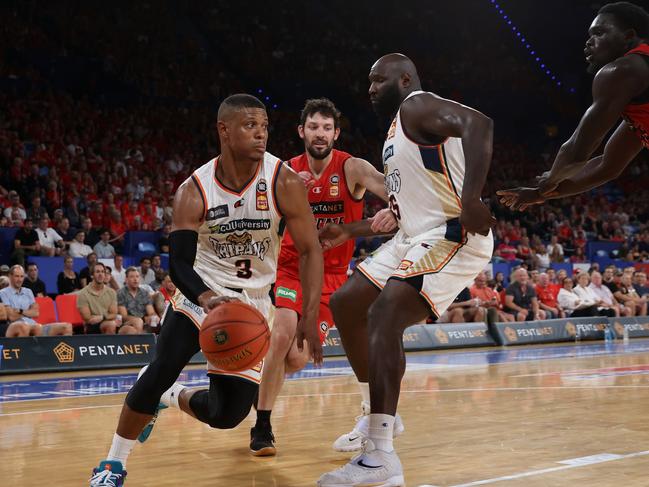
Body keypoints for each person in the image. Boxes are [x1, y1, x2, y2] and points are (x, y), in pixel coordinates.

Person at [89, 94, 323, 486]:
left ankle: (172, 398)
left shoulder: (283, 180)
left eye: (264, 126)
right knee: (162, 368)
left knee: (226, 415)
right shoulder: (194, 190)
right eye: (250, 126)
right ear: (224, 130)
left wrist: (310, 314)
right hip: (202, 294)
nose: (261, 134)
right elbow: (178, 263)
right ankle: (112, 464)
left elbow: (310, 249)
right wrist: (207, 299)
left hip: (253, 304)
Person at [317, 54, 495, 486]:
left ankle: (380, 458)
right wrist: (351, 231)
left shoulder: (418, 104)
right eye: (368, 81)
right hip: (413, 237)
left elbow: (480, 124)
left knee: (384, 314)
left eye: (378, 80)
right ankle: (375, 415)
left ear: (404, 78)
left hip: (452, 233)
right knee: (347, 304)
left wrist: (472, 199)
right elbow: (400, 215)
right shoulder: (397, 130)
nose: (370, 88)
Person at [251, 98, 395, 456]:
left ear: (336, 133)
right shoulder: (284, 171)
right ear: (302, 131)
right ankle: (262, 426)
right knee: (283, 332)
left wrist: (356, 228)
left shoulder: (354, 169)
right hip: (290, 266)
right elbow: (259, 221)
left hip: (331, 277)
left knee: (296, 359)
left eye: (327, 128)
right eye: (313, 127)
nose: (320, 133)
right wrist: (278, 195)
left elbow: (399, 202)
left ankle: (254, 386)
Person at [498, 2, 649, 209]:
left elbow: (576, 152)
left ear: (628, 36)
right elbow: (608, 165)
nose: (588, 42)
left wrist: (549, 181)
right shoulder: (639, 91)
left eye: (598, 33)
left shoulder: (622, 70)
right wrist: (542, 193)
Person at [0, 265, 72, 336]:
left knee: (67, 327)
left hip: (34, 325)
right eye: (17, 276)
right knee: (25, 327)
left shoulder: (28, 292)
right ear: (10, 276)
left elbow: (36, 313)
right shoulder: (3, 293)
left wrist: (21, 311)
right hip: (17, 327)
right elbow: (11, 317)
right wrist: (29, 312)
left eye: (21, 276)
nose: (19, 280)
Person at [77, 262, 125, 335]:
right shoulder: (83, 294)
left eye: (102, 272)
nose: (101, 274)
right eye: (97, 272)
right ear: (92, 275)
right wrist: (107, 316)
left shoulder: (111, 292)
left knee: (130, 330)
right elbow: (88, 318)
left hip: (108, 321)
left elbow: (114, 314)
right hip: (92, 326)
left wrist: (102, 317)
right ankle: (110, 346)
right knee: (111, 324)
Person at [117, 267, 156, 333]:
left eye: (137, 277)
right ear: (126, 279)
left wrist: (153, 317)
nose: (135, 279)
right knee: (136, 324)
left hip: (143, 323)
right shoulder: (121, 293)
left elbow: (151, 312)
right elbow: (124, 316)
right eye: (132, 277)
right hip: (126, 324)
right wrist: (141, 320)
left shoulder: (144, 293)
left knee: (155, 322)